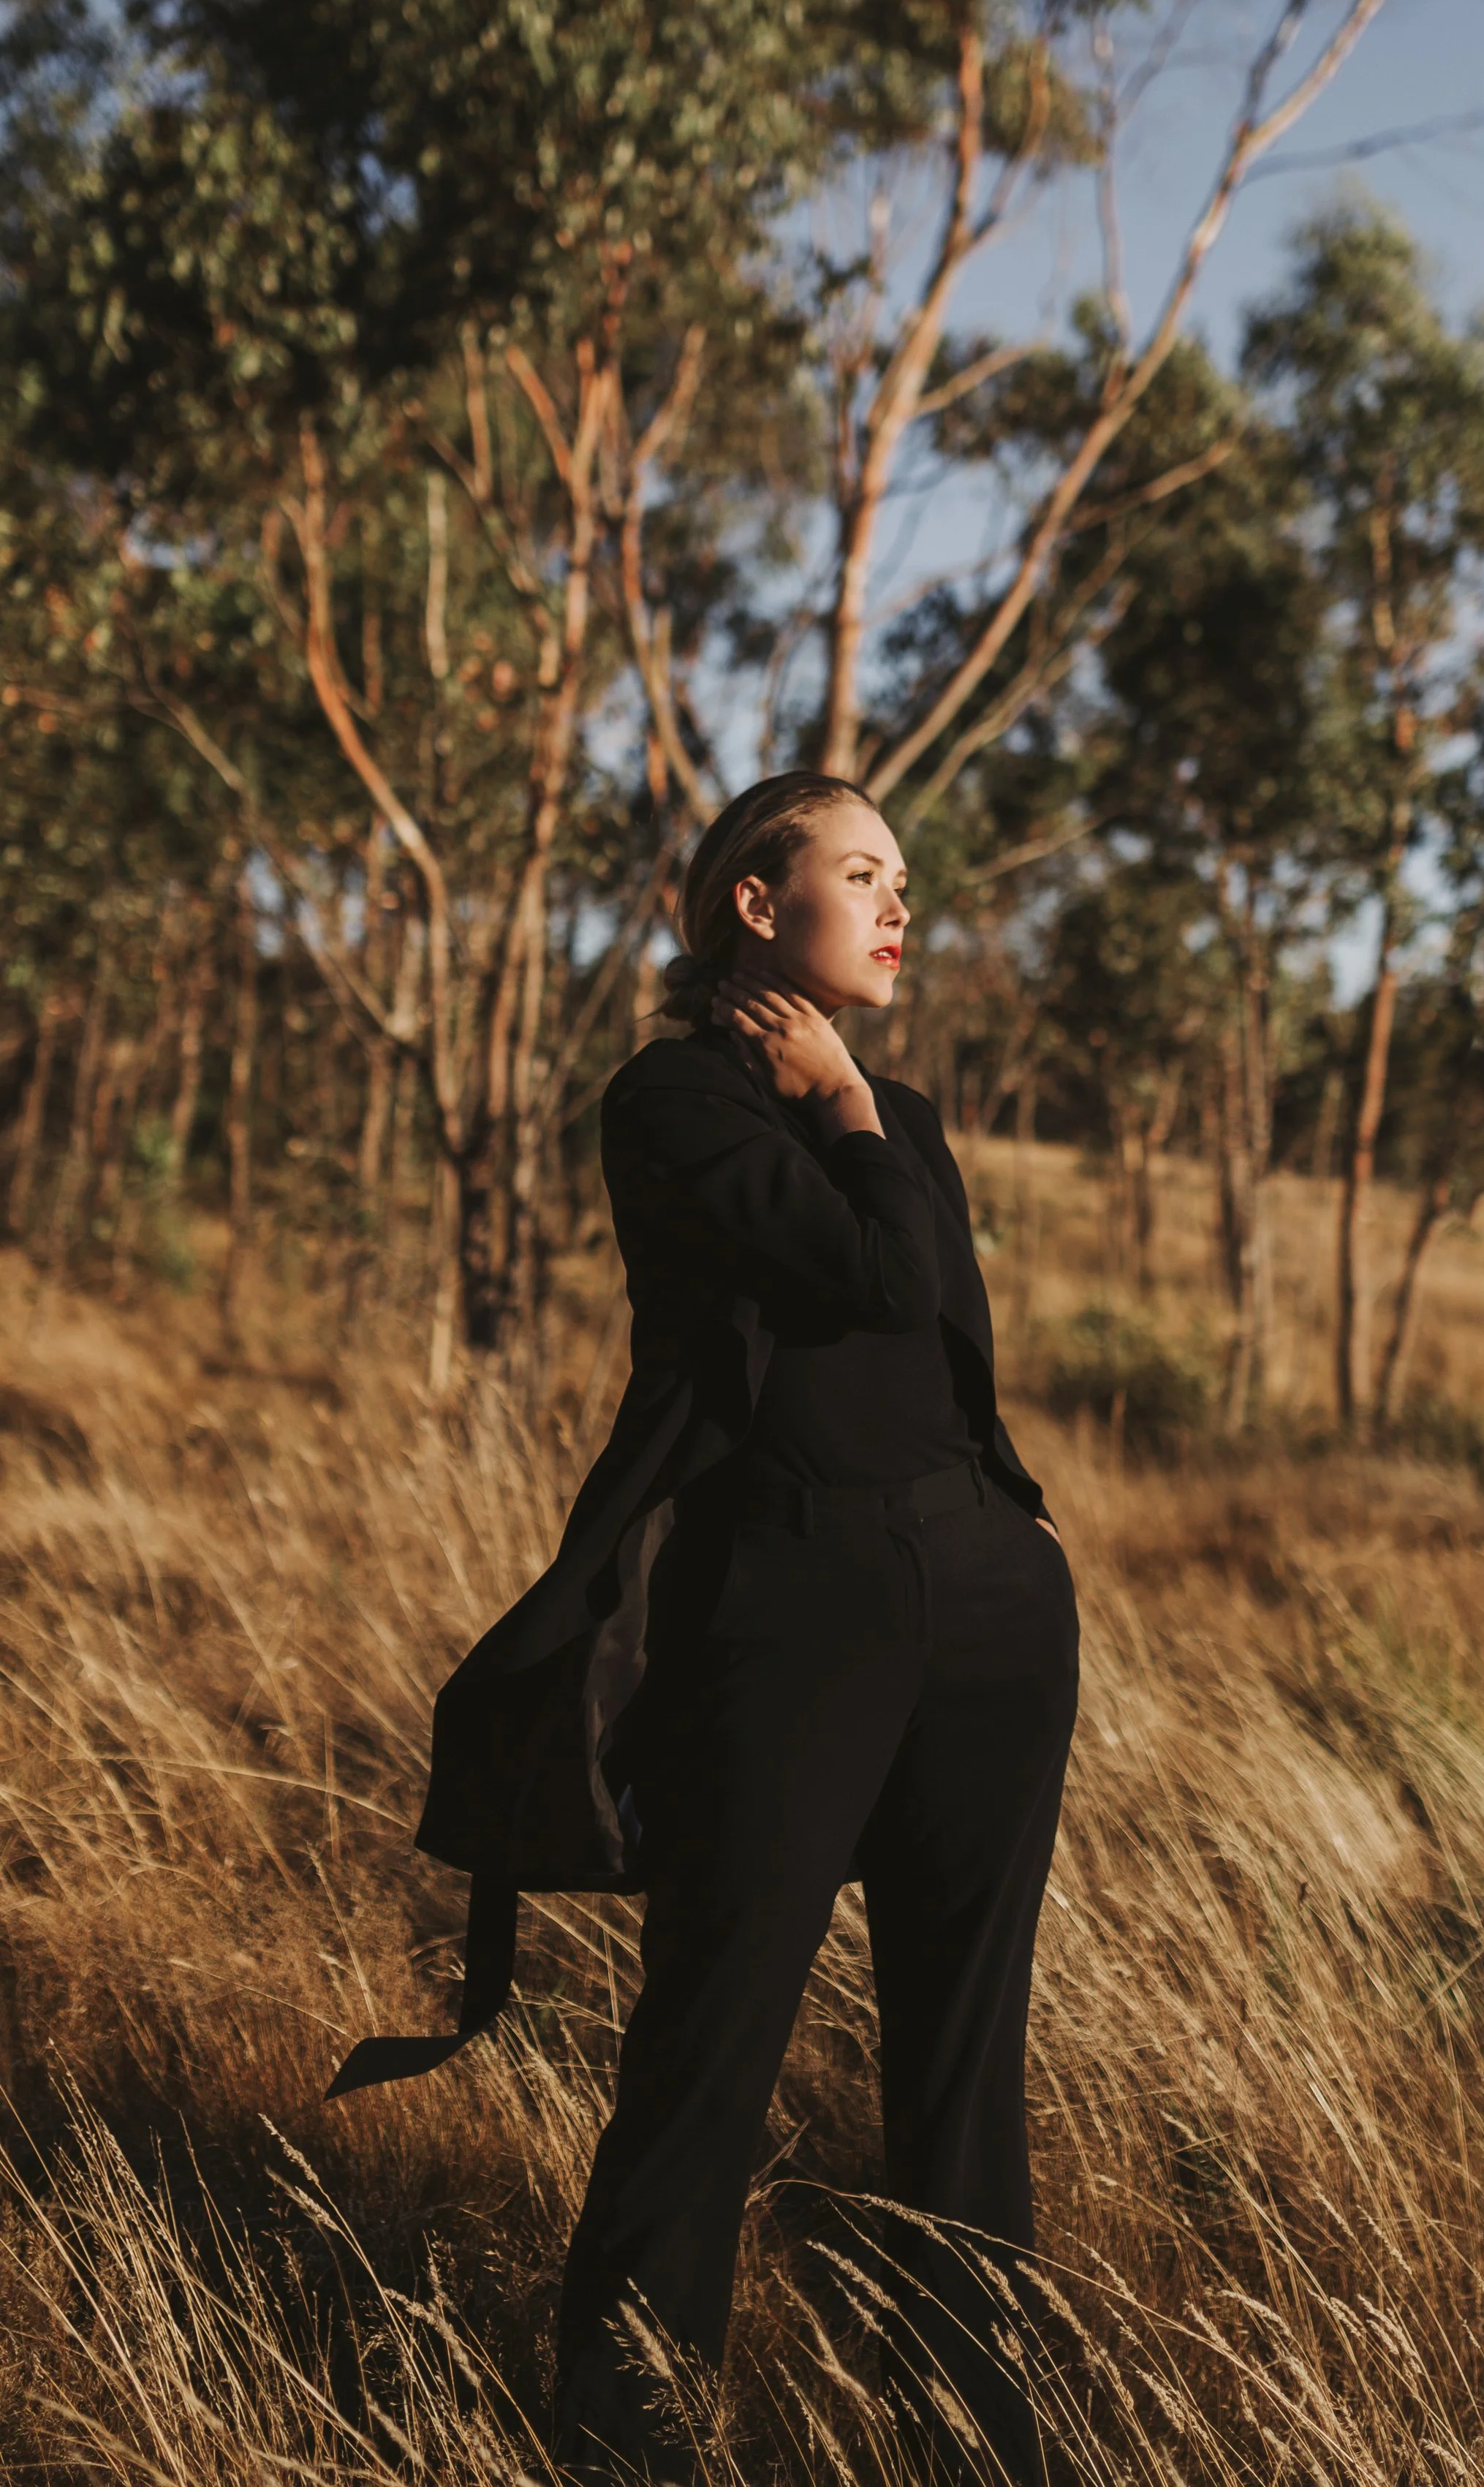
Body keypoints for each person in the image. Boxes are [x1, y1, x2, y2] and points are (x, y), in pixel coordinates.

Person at [328, 771, 1077, 2483]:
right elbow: (880, 1282)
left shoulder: (900, 1114)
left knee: (962, 2058)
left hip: (986, 1605)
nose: (901, 906)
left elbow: (945, 1349)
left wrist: (862, 1109)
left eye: (906, 880)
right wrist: (844, 1113)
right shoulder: (670, 1103)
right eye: (863, 873)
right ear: (755, 901)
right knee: (708, 2043)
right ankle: (627, 2443)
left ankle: (979, 2447)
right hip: (790, 1609)